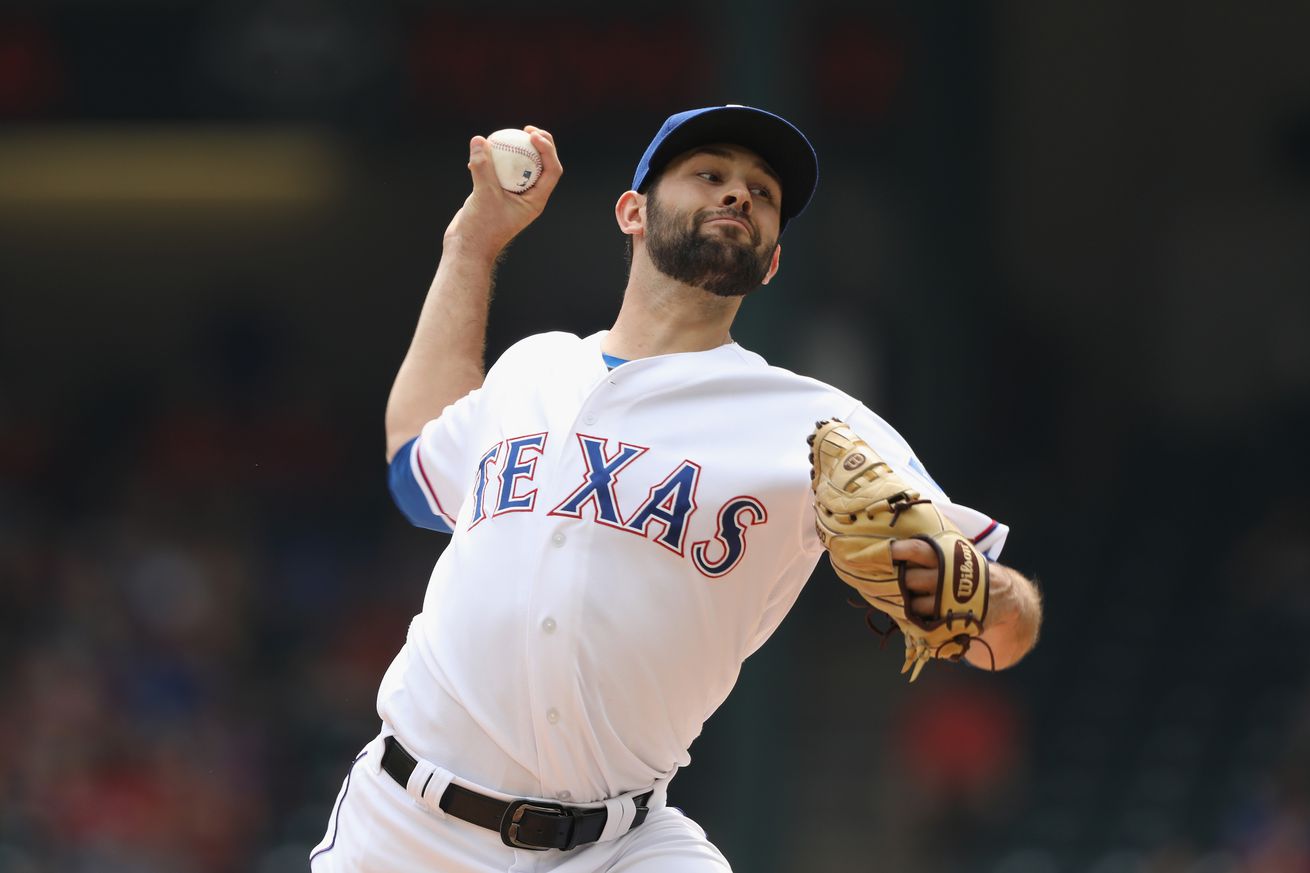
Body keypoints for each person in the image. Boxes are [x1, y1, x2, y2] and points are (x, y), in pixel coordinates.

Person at [309, 105, 1043, 872]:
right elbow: (413, 471)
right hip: (406, 827)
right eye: (710, 174)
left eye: (762, 192)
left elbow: (1000, 632)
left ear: (773, 261)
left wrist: (985, 599)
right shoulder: (536, 366)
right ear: (632, 211)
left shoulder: (818, 423)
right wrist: (472, 243)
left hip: (619, 845)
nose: (739, 195)